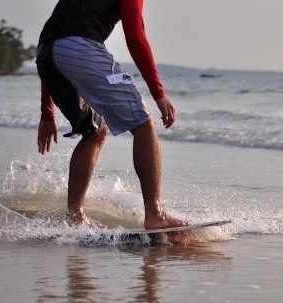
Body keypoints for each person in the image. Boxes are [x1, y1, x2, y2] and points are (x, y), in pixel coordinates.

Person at [35, 0, 187, 230]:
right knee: (144, 124)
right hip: (79, 48)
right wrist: (159, 93)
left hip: (46, 54)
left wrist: (47, 113)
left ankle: (74, 216)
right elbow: (135, 36)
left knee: (93, 131)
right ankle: (155, 215)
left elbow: (55, 38)